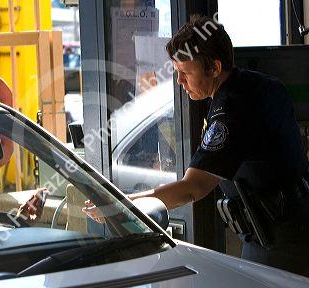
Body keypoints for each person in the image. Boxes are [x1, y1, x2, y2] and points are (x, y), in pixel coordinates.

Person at [84, 15, 309, 276]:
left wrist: (119, 206)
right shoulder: (261, 85)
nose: (179, 81)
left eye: (185, 73)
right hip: (284, 229)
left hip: (280, 244)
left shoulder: (232, 110)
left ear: (214, 68)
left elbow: (192, 188)